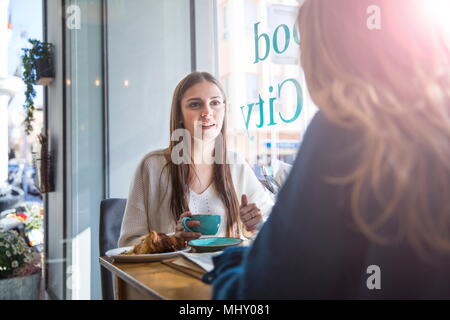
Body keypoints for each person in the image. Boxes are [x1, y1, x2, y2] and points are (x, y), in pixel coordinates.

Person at [204, 0, 450, 299]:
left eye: (305, 46)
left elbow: (265, 292)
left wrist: (231, 266)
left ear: (328, 53)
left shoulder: (346, 128)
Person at [118, 72, 274, 247]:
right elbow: (127, 244)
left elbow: (274, 225)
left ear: (224, 108)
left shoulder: (236, 165)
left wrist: (254, 226)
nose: (207, 112)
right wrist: (172, 240)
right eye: (195, 104)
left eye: (215, 103)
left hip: (222, 272)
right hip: (171, 274)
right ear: (179, 114)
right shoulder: (152, 166)